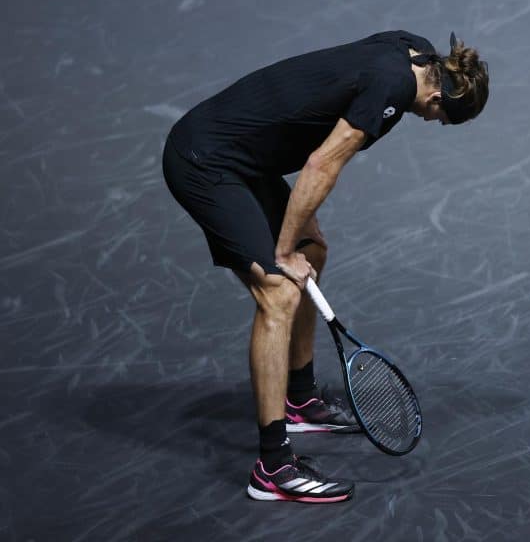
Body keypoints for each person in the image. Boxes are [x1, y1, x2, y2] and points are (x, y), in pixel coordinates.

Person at [162, 30, 489, 503]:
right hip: (206, 160)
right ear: (437, 95)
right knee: (278, 291)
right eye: (439, 117)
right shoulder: (393, 89)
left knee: (312, 252)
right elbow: (321, 164)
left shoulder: (411, 49)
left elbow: (314, 113)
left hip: (248, 156)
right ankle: (272, 468)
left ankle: (300, 398)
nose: (431, 120)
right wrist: (282, 249)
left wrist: (299, 233)